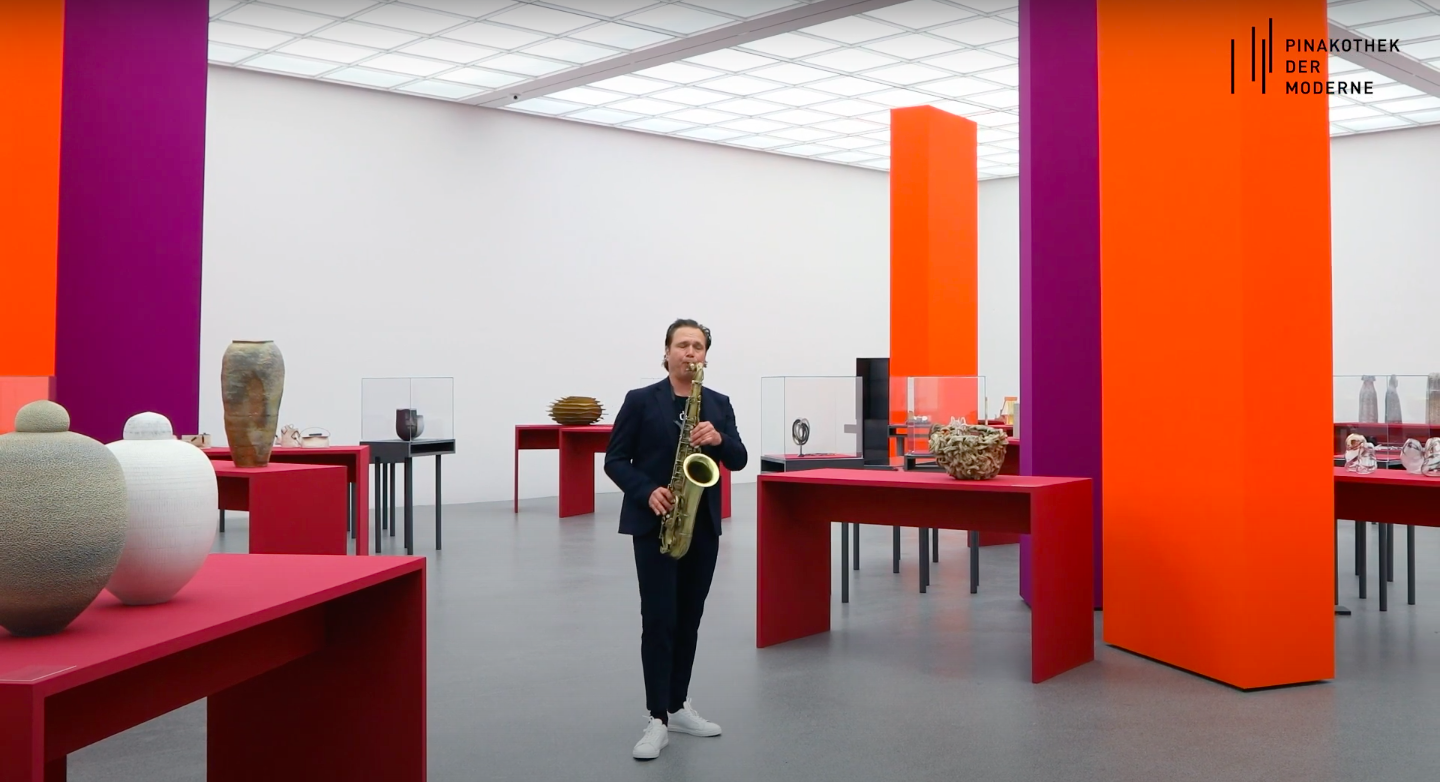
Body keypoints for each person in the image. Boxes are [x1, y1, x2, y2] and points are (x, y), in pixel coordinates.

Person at [604, 318, 748, 761]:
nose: (690, 352)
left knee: (689, 619)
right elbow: (615, 460)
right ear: (666, 352)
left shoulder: (718, 404)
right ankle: (656, 719)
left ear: (706, 356)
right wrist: (648, 491)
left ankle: (679, 704)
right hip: (656, 525)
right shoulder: (640, 400)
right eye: (682, 345)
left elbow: (739, 459)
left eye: (698, 347)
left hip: (699, 526)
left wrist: (719, 438)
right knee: (660, 620)